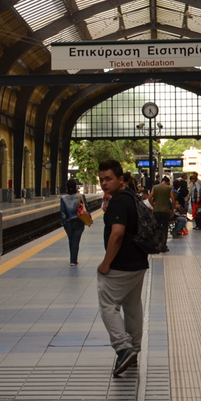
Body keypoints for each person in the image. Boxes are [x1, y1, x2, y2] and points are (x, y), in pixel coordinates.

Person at [96, 159, 148, 377]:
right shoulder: (131, 197)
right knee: (132, 306)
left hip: (121, 265)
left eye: (108, 179)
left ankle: (123, 348)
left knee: (108, 305)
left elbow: (117, 234)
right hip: (138, 263)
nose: (104, 183)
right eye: (101, 179)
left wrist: (106, 263)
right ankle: (134, 351)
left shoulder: (118, 202)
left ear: (120, 179)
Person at [58, 178, 85, 266]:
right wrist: (89, 220)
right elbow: (86, 209)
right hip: (79, 221)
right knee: (76, 240)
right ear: (75, 186)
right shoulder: (80, 196)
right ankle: (73, 260)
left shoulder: (63, 198)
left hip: (68, 223)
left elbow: (62, 212)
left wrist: (63, 222)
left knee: (71, 240)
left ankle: (72, 260)